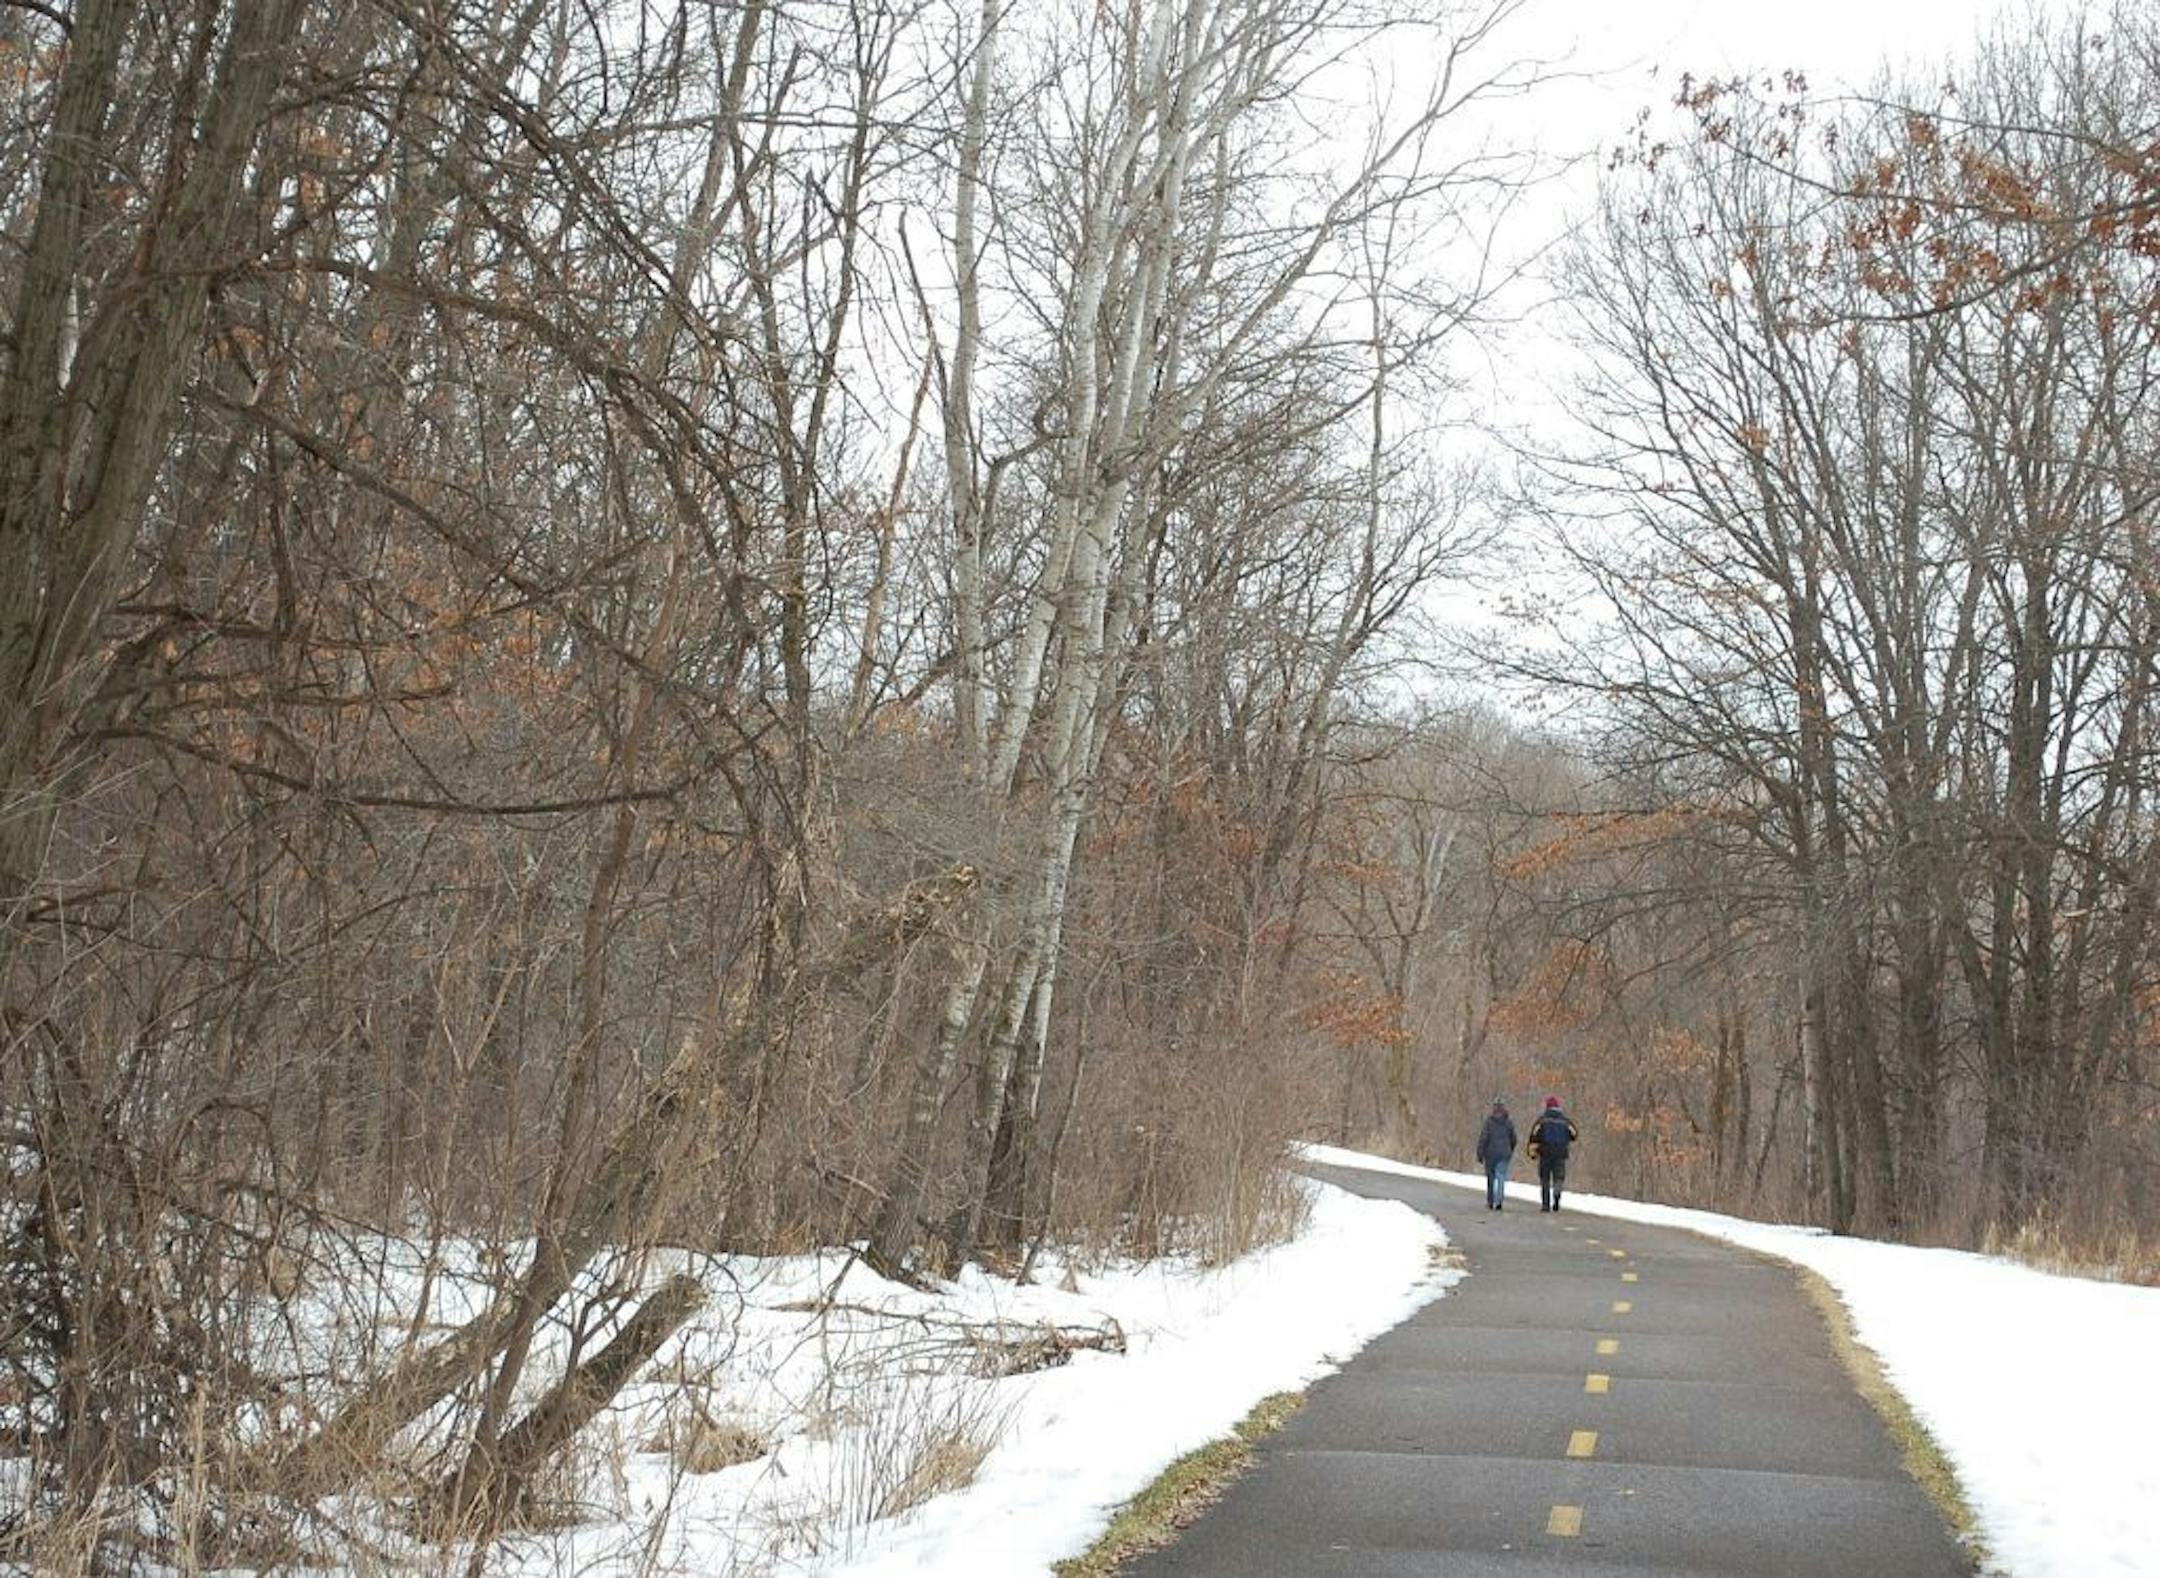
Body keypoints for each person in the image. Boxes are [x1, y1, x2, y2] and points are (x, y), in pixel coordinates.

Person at [1528, 1095, 1579, 1213]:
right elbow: (1574, 1134)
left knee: (1545, 1179)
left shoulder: (1542, 1121)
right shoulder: (1565, 1121)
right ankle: (1557, 1193)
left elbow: (1534, 1137)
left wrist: (1532, 1153)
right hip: (1561, 1154)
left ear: (1547, 1107)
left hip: (1545, 1153)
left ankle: (1545, 1205)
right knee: (1559, 1177)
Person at [1475, 1100, 1517, 1210]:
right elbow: (1514, 1138)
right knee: (1501, 1176)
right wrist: (1510, 1149)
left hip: (1491, 1153)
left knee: (1491, 1178)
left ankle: (1491, 1201)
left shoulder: (1489, 1122)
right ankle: (1499, 1200)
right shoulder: (1508, 1122)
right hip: (1504, 1153)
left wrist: (1480, 1153)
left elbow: (1483, 1138)